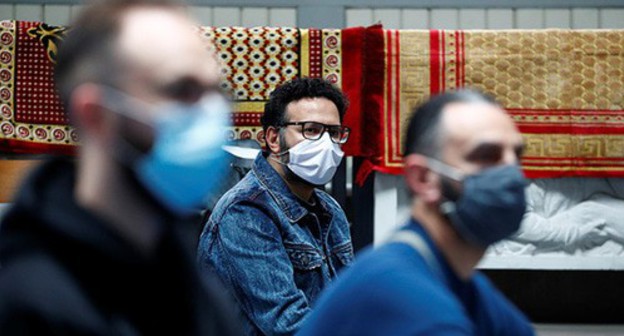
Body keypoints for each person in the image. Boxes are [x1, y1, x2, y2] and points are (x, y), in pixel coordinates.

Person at [0, 0, 240, 334]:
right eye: (182, 90)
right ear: (95, 115)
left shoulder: (191, 279)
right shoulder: (25, 299)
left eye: (215, 92)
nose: (210, 113)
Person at [298, 90, 535, 335]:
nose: (511, 174)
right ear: (422, 178)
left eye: (516, 157)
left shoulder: (462, 283)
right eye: (486, 156)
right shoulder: (397, 293)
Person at [198, 77, 354, 335]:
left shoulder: (330, 210)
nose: (326, 144)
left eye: (334, 133)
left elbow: (347, 302)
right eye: (311, 130)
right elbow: (287, 325)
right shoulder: (245, 212)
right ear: (273, 138)